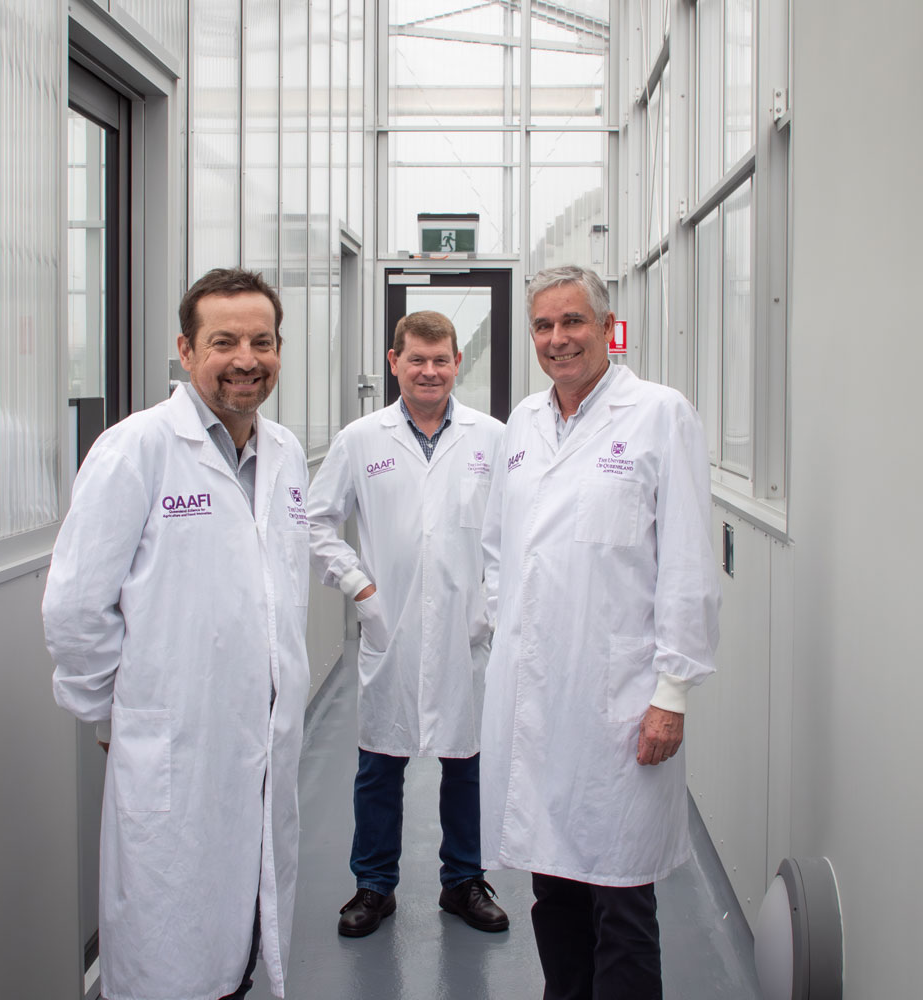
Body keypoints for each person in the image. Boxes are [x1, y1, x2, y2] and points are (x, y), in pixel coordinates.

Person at [43, 268, 310, 1000]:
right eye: (223, 340)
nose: (245, 358)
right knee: (173, 953)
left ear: (279, 349)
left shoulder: (284, 454)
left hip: (261, 749)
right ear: (186, 351)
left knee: (244, 942)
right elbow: (74, 606)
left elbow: (272, 590)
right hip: (174, 749)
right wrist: (116, 709)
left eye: (261, 340)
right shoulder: (136, 450)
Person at [480, 265, 720, 999]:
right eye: (544, 326)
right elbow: (499, 544)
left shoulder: (658, 414)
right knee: (552, 886)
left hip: (620, 697)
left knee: (620, 893)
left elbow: (686, 563)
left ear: (605, 325)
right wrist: (503, 625)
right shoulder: (523, 421)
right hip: (535, 694)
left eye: (573, 321)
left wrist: (672, 691)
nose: (559, 339)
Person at [306, 310, 509, 937]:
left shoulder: (492, 438)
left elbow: (513, 534)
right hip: (389, 623)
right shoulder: (361, 438)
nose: (429, 370)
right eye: (416, 359)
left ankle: (464, 881)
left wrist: (491, 604)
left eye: (441, 359)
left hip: (466, 628)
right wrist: (358, 586)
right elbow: (314, 523)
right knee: (380, 761)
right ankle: (373, 884)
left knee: (467, 759)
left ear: (456, 363)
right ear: (394, 362)